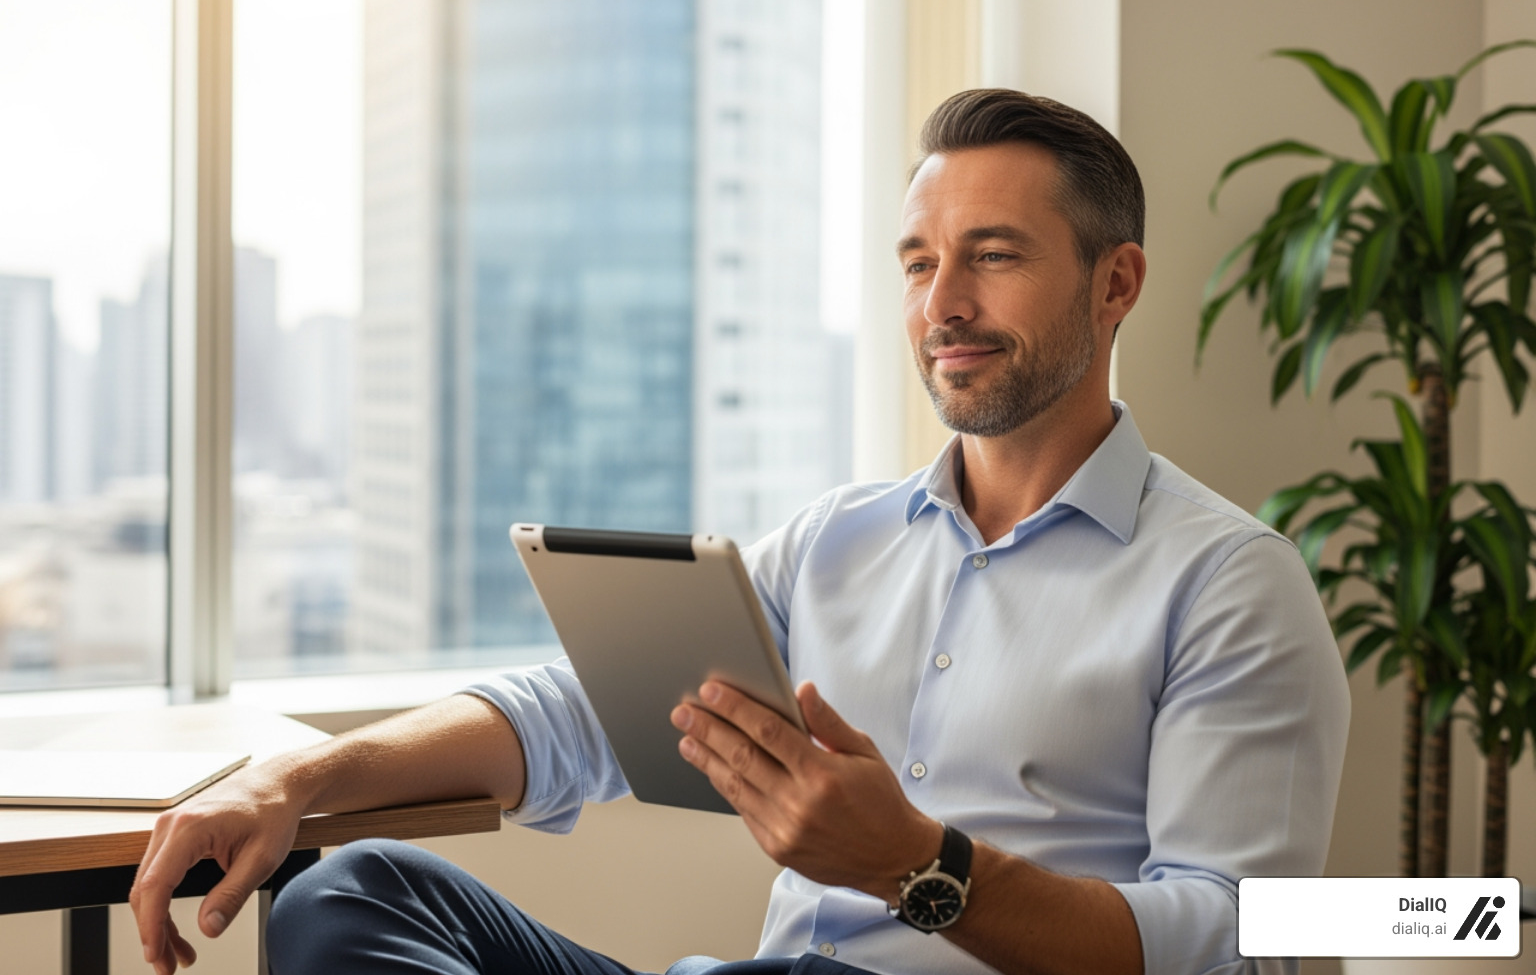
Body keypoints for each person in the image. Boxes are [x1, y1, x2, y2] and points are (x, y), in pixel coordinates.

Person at [129, 89, 1350, 975]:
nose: (943, 306)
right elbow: (576, 714)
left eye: (993, 258)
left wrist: (919, 867)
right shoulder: (838, 542)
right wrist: (294, 776)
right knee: (356, 894)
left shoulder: (1228, 584)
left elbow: (1229, 939)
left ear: (1115, 283)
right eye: (920, 263)